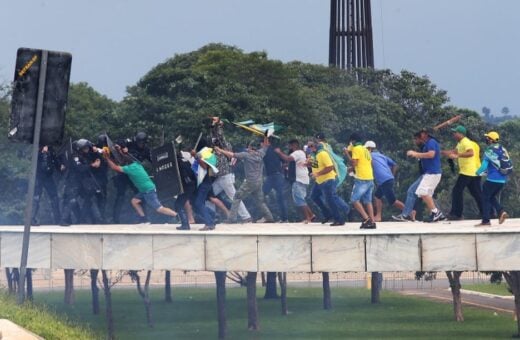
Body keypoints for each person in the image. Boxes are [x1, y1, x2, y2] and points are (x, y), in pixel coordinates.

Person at [104, 144, 178, 223]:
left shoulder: (130, 169)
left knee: (159, 208)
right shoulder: (136, 164)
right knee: (134, 201)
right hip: (145, 190)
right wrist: (120, 151)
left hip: (148, 190)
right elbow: (126, 158)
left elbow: (114, 167)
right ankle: (144, 219)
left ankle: (177, 215)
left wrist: (107, 158)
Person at [215, 138, 274, 223]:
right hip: (259, 182)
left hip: (250, 182)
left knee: (237, 197)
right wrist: (266, 136)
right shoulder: (261, 153)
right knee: (260, 201)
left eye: (248, 147)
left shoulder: (246, 155)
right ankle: (269, 217)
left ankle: (232, 219)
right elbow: (265, 145)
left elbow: (232, 155)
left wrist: (220, 150)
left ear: (250, 148)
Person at [209, 117, 252, 222]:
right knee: (208, 195)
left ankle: (246, 217)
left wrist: (218, 124)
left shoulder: (225, 145)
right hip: (221, 177)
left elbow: (219, 136)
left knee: (234, 197)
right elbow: (214, 135)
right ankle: (212, 216)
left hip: (226, 176)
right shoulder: (218, 147)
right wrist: (213, 125)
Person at [441, 125, 483, 220]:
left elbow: (470, 153)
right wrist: (442, 152)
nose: (454, 134)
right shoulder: (460, 143)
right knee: (477, 193)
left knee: (457, 191)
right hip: (474, 171)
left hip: (468, 171)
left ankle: (457, 214)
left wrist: (457, 156)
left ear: (461, 134)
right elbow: (454, 151)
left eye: (455, 132)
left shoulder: (466, 142)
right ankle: (487, 212)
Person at [406, 129, 446, 222]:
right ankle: (435, 214)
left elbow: (431, 154)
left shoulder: (431, 142)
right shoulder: (427, 144)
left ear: (425, 134)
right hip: (431, 173)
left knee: (422, 192)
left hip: (432, 173)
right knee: (427, 195)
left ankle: (436, 212)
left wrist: (416, 154)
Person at [309, 133, 349, 227]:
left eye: (311, 146)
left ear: (316, 145)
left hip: (328, 180)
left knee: (330, 199)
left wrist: (317, 173)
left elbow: (330, 167)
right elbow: (316, 166)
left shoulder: (322, 153)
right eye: (308, 146)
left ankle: (339, 219)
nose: (309, 148)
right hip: (319, 181)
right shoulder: (315, 155)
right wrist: (308, 164)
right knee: (314, 196)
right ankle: (327, 214)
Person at [112, 132, 151, 223]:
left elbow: (152, 160)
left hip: (135, 175)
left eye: (142, 143)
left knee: (140, 195)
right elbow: (118, 142)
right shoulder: (131, 142)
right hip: (125, 171)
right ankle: (115, 219)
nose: (140, 144)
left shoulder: (146, 150)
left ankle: (143, 218)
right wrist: (123, 147)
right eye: (138, 142)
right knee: (120, 195)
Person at [275, 139, 315, 223]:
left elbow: (288, 158)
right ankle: (311, 215)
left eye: (290, 145)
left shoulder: (297, 153)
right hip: (303, 178)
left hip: (299, 179)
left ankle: (307, 218)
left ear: (294, 145)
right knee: (300, 198)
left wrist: (279, 152)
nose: (290, 147)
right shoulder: (302, 153)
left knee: (299, 198)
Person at [475, 131, 509, 226]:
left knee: (485, 198)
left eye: (487, 138)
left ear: (491, 140)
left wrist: (477, 173)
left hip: (492, 180)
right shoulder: (503, 149)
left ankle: (486, 220)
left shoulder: (489, 151)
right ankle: (501, 211)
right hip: (502, 180)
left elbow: (484, 166)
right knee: (491, 196)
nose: (486, 139)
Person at [364, 141, 404, 222]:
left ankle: (410, 212)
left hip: (384, 180)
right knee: (377, 196)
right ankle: (378, 216)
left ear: (369, 149)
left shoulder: (369, 156)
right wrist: (392, 175)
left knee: (393, 201)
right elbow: (395, 165)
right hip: (387, 179)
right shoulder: (382, 156)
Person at [347, 133, 376, 229]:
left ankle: (367, 219)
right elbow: (371, 163)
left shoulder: (356, 149)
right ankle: (372, 221)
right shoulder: (366, 150)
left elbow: (354, 163)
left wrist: (348, 155)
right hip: (370, 177)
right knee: (368, 201)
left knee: (354, 200)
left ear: (353, 141)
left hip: (362, 178)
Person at [31, 145, 61, 225]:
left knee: (54, 197)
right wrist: (41, 152)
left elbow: (56, 164)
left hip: (48, 178)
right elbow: (33, 161)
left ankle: (58, 219)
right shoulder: (37, 152)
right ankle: (31, 219)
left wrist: (61, 167)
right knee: (36, 198)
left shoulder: (51, 152)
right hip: (38, 178)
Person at [263, 137, 289, 222]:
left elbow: (286, 161)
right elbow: (285, 161)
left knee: (261, 196)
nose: (261, 145)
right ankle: (282, 218)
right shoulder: (274, 150)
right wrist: (282, 167)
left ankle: (282, 218)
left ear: (267, 142)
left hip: (274, 176)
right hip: (276, 176)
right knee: (280, 197)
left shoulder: (269, 150)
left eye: (262, 143)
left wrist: (282, 168)